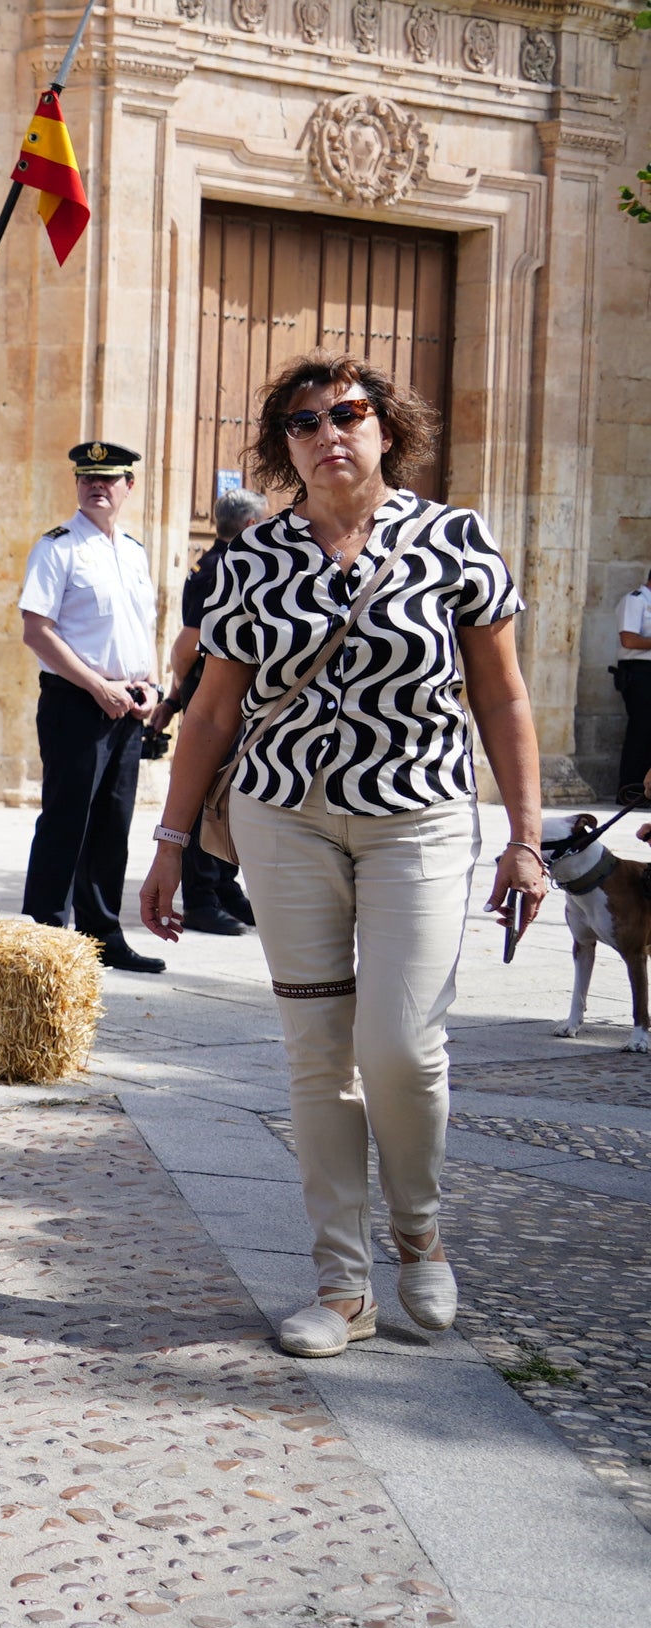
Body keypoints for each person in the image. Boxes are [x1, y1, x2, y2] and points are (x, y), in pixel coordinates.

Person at [141, 355, 546, 1359]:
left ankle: (421, 1229)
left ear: (385, 429)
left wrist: (527, 841)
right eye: (304, 418)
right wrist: (169, 840)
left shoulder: (456, 539)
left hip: (421, 817)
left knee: (402, 1046)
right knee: (318, 1057)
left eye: (350, 413)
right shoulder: (253, 556)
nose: (330, 431)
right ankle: (343, 1281)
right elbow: (214, 710)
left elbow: (501, 697)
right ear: (285, 444)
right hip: (286, 820)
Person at [18, 441, 168, 973]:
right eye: (87, 478)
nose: (96, 487)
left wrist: (150, 684)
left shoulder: (133, 550)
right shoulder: (57, 548)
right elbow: (37, 630)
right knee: (66, 819)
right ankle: (44, 935)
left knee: (112, 823)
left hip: (125, 703)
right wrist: (95, 686)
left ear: (130, 486)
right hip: (76, 701)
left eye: (108, 479)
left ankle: (103, 934)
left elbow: (140, 628)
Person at [153, 487, 269, 935]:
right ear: (250, 526)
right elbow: (187, 646)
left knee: (227, 796)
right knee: (207, 799)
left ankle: (223, 886)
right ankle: (201, 897)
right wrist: (177, 695)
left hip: (227, 694)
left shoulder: (225, 562)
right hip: (214, 696)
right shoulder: (221, 568)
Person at [617, 566, 651, 796]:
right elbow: (628, 639)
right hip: (639, 672)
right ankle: (630, 790)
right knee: (641, 729)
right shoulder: (636, 600)